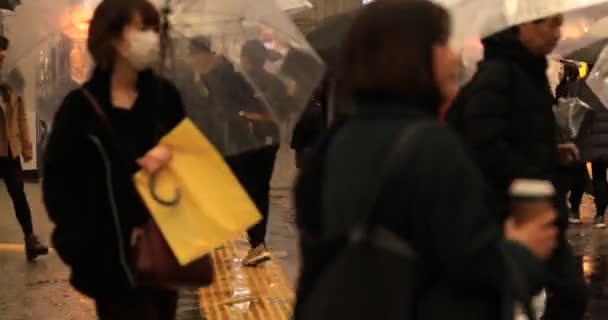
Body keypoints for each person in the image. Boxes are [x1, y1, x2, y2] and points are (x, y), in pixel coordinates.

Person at [295, 1, 558, 319]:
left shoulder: (335, 141)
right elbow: (473, 270)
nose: (452, 55)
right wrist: (521, 252)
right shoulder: (431, 147)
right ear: (410, 55)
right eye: (441, 43)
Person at [42, 1, 185, 319]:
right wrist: (85, 251)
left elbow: (195, 160)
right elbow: (58, 188)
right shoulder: (79, 109)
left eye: (155, 29)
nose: (152, 37)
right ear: (113, 38)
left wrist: (172, 154)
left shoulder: (165, 98)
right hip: (110, 268)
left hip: (163, 256)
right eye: (142, 28)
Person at [448, 16, 589, 320]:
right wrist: (529, 172)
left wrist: (551, 153)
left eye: (558, 25)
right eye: (549, 25)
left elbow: (518, 132)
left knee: (555, 292)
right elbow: (483, 141)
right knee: (556, 291)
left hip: (531, 203)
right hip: (512, 207)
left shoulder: (528, 71)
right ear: (522, 27)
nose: (556, 33)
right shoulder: (499, 73)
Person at [227, 39, 291, 266]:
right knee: (261, 190)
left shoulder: (240, 82)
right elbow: (284, 113)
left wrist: (245, 115)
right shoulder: (276, 82)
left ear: (246, 58)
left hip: (246, 144)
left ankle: (257, 243)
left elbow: (231, 110)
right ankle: (258, 243)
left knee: (248, 189)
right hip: (270, 142)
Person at [0, 35, 49, 261]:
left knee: (18, 193)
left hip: (10, 151)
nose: (2, 58)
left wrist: (27, 149)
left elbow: (20, 119)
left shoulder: (14, 81)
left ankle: (30, 238)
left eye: (4, 54)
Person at [553, 63, 589, 225]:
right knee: (578, 175)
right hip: (574, 137)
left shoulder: (567, 88)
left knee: (572, 173)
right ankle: (573, 209)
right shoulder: (575, 88)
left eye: (562, 70)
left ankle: (569, 207)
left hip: (566, 135)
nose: (560, 72)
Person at [575, 72, 608, 228]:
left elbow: (580, 111)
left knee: (599, 177)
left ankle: (600, 215)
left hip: (594, 140)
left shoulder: (586, 85)